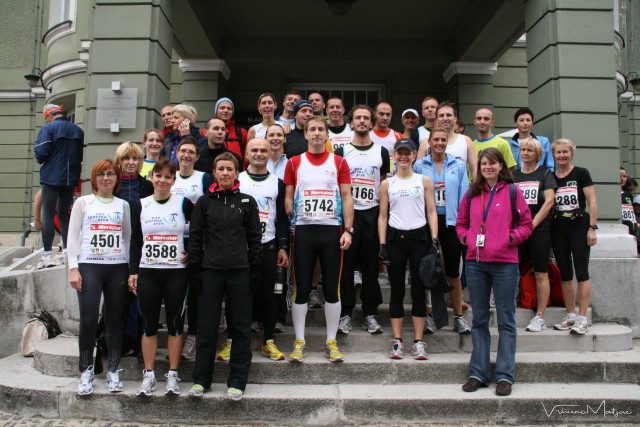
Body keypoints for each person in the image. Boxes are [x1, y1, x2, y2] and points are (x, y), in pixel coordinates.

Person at [456, 147, 533, 397]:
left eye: (492, 163)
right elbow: (461, 224)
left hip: (505, 263)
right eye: (483, 164)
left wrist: (511, 238)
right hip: (475, 262)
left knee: (506, 321)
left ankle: (504, 375)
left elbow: (526, 224)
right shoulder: (471, 193)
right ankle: (478, 372)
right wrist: (468, 239)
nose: (487, 167)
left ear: (501, 166)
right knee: (478, 319)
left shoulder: (512, 192)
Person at [188, 152, 262, 401]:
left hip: (240, 272)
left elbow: (255, 238)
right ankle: (201, 380)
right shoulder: (204, 203)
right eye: (220, 169)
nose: (225, 173)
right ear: (215, 172)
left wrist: (255, 268)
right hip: (211, 272)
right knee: (207, 328)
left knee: (240, 328)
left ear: (236, 172)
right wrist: (196, 270)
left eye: (230, 169)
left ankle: (238, 381)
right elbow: (196, 238)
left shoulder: (248, 202)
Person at [284, 116, 354, 363]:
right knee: (301, 289)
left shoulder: (338, 161)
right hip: (303, 231)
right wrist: (291, 210)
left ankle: (331, 342)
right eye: (311, 129)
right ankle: (299, 341)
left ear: (327, 135)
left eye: (320, 130)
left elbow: (346, 196)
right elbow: (288, 197)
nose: (315, 133)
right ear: (305, 134)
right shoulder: (294, 162)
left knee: (332, 289)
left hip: (331, 231)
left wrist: (348, 229)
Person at [129, 159, 193, 396]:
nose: (162, 181)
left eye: (168, 177)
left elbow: (196, 231)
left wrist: (191, 252)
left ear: (174, 181)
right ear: (152, 178)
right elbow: (136, 239)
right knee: (149, 325)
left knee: (176, 324)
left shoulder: (184, 203)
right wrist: (133, 270)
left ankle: (173, 374)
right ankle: (149, 375)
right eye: (159, 176)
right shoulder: (141, 205)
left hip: (176, 273)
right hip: (149, 272)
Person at [67, 159, 130, 395]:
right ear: (94, 178)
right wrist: (73, 268)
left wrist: (130, 269)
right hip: (89, 266)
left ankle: (114, 370)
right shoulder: (84, 202)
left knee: (114, 320)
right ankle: (86, 370)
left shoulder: (123, 204)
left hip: (117, 267)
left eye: (111, 174)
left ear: (117, 178)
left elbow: (127, 237)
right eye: (101, 174)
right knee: (88, 319)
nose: (106, 178)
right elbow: (72, 238)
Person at [378, 139, 439, 360]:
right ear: (394, 156)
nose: (403, 157)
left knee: (419, 290)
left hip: (419, 238)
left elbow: (431, 211)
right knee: (396, 289)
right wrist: (382, 244)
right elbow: (383, 215)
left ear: (414, 156)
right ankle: (397, 340)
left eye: (408, 153)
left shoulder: (424, 180)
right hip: (395, 238)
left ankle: (418, 341)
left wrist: (434, 239)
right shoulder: (387, 183)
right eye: (400, 153)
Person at [335, 105, 389, 335]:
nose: (362, 121)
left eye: (366, 118)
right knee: (346, 266)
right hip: (349, 213)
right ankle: (345, 313)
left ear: (372, 121)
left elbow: (384, 182)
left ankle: (370, 313)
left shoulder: (381, 152)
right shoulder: (341, 151)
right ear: (352, 122)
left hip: (372, 213)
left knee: (369, 266)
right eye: (358, 118)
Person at [413, 126, 471, 335]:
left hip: (452, 222)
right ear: (429, 142)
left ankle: (458, 316)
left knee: (453, 271)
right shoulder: (419, 165)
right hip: (426, 222)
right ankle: (428, 315)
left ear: (447, 142)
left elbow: (465, 196)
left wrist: (466, 224)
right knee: (426, 269)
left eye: (443, 140)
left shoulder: (458, 165)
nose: (439, 143)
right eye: (435, 139)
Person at [238, 138, 290, 360]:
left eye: (263, 150)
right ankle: (234, 341)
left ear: (270, 154)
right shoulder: (237, 180)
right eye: (254, 150)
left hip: (268, 245)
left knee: (269, 295)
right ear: (247, 154)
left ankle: (268, 340)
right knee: (239, 294)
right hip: (239, 247)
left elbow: (281, 219)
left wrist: (283, 246)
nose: (259, 154)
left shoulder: (277, 183)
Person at [169, 138, 214, 361]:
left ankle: (193, 337)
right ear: (176, 153)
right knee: (176, 294)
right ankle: (175, 335)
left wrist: (198, 245)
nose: (186, 155)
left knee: (195, 293)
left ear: (197, 157)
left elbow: (209, 209)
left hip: (195, 242)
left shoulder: (203, 177)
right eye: (182, 151)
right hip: (170, 243)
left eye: (191, 152)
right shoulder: (169, 176)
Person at [550, 139, 598, 336]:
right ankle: (570, 315)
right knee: (565, 272)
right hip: (559, 227)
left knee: (581, 271)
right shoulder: (552, 177)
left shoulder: (581, 173)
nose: (561, 155)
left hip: (579, 225)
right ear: (553, 155)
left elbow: (592, 201)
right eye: (558, 152)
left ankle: (582, 317)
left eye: (565, 152)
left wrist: (592, 228)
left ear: (572, 154)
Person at [512, 138, 557, 332]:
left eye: (530, 150)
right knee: (515, 270)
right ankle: (517, 302)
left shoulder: (545, 173)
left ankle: (540, 315)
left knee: (540, 272)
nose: (526, 153)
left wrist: (532, 224)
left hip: (539, 230)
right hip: (518, 231)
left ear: (537, 153)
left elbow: (549, 201)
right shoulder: (514, 175)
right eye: (523, 149)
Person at [34, 103, 84, 269]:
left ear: (48, 116)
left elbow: (41, 153)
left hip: (51, 176)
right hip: (70, 177)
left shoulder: (48, 129)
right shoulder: (78, 130)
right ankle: (67, 252)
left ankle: (47, 255)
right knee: (64, 215)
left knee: (48, 214)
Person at [417, 101, 477, 180]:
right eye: (441, 115)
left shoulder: (466, 141)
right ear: (437, 119)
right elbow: (418, 172)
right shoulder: (426, 143)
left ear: (455, 118)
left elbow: (475, 170)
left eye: (448, 115)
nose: (445, 118)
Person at [370, 102, 402, 176]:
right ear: (374, 114)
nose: (385, 118)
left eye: (388, 114)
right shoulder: (367, 134)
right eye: (381, 114)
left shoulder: (398, 136)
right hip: (371, 179)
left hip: (391, 179)